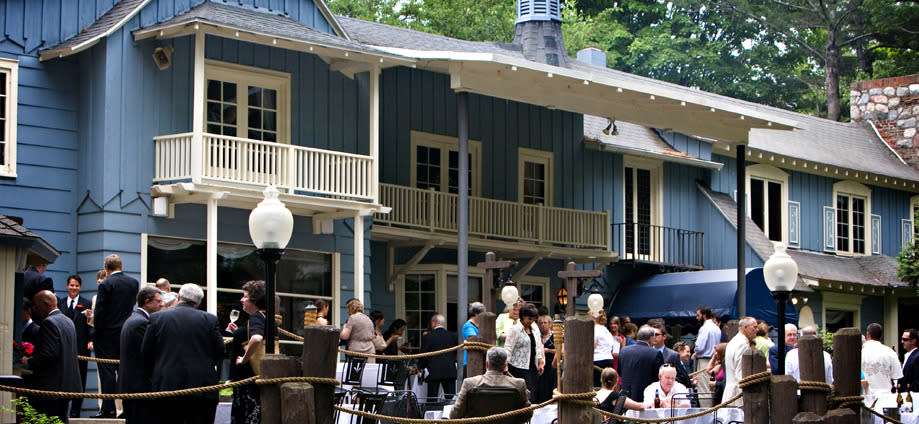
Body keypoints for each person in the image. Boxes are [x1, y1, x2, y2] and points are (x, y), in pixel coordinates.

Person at [142, 283, 224, 424]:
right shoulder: (209, 320)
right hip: (202, 388)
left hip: (166, 386)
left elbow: (146, 352)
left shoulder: (157, 318)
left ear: (179, 296)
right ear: (198, 302)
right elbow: (220, 351)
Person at [21, 290, 81, 423]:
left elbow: (49, 353)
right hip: (66, 385)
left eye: (36, 306)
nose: (35, 311)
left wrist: (29, 361)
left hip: (51, 386)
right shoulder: (68, 321)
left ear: (46, 303)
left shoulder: (49, 323)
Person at [92, 254, 140, 418]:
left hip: (106, 334)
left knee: (107, 372)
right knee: (126, 371)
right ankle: (128, 408)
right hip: (126, 332)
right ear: (121, 266)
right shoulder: (133, 283)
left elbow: (100, 312)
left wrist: (95, 332)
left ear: (107, 268)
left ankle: (108, 408)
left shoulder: (106, 284)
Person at [224, 280, 272, 424]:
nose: (241, 300)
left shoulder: (256, 316)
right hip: (255, 379)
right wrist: (238, 332)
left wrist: (244, 359)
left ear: (255, 299)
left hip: (248, 381)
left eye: (245, 296)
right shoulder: (266, 317)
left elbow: (257, 338)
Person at [119, 286, 163, 424]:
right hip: (139, 386)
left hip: (132, 385)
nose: (162, 304)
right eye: (159, 301)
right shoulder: (141, 323)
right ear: (147, 302)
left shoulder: (134, 318)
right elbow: (148, 354)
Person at [450, 347, 531, 422]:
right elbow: (527, 415)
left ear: (487, 364)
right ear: (506, 366)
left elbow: (455, 415)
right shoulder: (518, 384)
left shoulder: (470, 383)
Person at [58, 275, 92, 418]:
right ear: (67, 286)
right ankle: (63, 409)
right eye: (72, 285)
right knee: (63, 378)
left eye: (77, 285)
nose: (74, 288)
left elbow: (92, 326)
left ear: (80, 287)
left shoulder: (87, 304)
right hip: (63, 349)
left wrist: (91, 340)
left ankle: (75, 411)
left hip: (81, 348)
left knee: (80, 379)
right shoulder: (60, 304)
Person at [504, 303, 544, 402]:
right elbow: (508, 347)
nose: (531, 321)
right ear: (523, 316)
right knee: (523, 394)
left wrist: (540, 361)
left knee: (533, 393)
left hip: (532, 366)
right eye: (529, 319)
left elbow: (538, 346)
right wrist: (505, 364)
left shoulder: (534, 328)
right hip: (518, 366)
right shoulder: (515, 329)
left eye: (533, 319)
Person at [417, 313, 458, 401]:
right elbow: (456, 352)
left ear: (434, 322)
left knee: (432, 399)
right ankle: (449, 414)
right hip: (449, 369)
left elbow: (424, 355)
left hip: (434, 370)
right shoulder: (453, 336)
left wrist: (420, 367)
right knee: (450, 399)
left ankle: (431, 413)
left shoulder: (428, 337)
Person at [618, 325, 660, 402]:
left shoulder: (624, 351)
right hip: (645, 397)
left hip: (625, 397)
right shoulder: (655, 353)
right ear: (651, 338)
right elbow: (658, 376)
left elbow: (620, 372)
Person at [723, 316, 756, 406]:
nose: (757, 330)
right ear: (745, 327)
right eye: (754, 327)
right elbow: (741, 373)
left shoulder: (733, 341)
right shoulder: (742, 345)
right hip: (737, 397)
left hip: (730, 394)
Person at [648, 322, 693, 389]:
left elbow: (681, 377)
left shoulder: (673, 355)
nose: (653, 337)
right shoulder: (646, 353)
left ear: (664, 336)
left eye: (656, 334)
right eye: (651, 335)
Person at [862, 323, 902, 394]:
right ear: (880, 336)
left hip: (866, 396)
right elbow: (897, 375)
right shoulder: (890, 352)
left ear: (868, 334)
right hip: (887, 396)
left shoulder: (860, 353)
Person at [692, 305, 719, 407]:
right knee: (711, 389)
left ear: (704, 315)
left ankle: (706, 414)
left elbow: (700, 347)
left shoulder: (705, 328)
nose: (697, 317)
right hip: (714, 361)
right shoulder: (716, 328)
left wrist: (695, 351)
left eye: (698, 315)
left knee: (703, 390)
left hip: (705, 361)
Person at [535, 314, 557, 403]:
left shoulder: (554, 336)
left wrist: (548, 350)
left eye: (545, 323)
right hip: (540, 364)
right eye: (541, 323)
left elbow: (560, 350)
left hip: (551, 364)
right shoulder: (537, 336)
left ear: (550, 324)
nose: (543, 325)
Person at [592, 310, 615, 387]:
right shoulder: (606, 331)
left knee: (597, 386)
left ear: (594, 318)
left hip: (597, 361)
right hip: (608, 359)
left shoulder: (595, 329)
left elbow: (592, 346)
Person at [462, 302, 485, 373]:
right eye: (482, 313)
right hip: (471, 361)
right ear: (476, 314)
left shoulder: (481, 325)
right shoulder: (468, 326)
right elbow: (474, 339)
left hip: (481, 360)